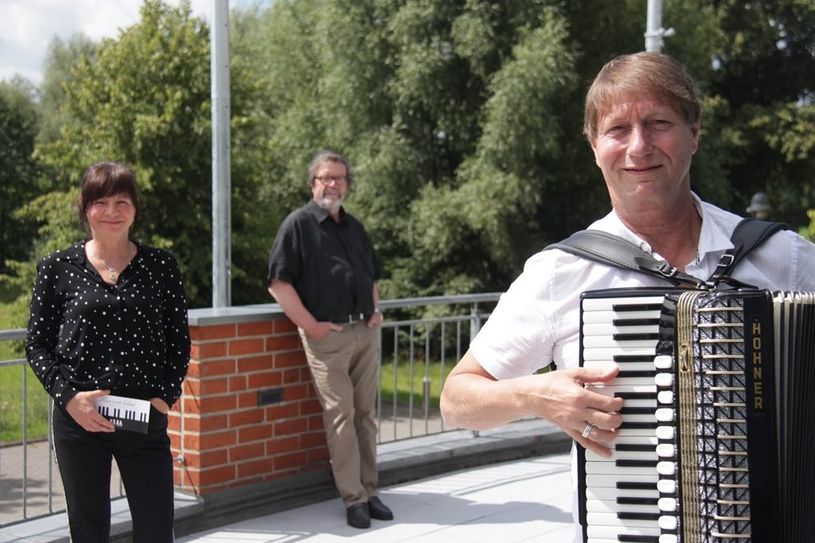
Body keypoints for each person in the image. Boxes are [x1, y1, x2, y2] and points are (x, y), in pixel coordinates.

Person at [439, 51, 815, 540]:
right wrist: (535, 394)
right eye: (618, 130)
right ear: (594, 146)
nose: (639, 147)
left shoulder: (783, 257)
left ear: (694, 133)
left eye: (658, 123)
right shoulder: (561, 273)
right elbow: (456, 398)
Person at [26, 161, 191, 543]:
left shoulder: (161, 266)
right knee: (89, 532)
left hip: (144, 418)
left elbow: (179, 341)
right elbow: (37, 344)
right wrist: (68, 399)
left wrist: (164, 398)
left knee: (155, 530)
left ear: (135, 208)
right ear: (85, 208)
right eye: (101, 202)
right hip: (79, 421)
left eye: (122, 201)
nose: (112, 212)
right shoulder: (57, 268)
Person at [266, 150, 393, 529]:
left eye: (339, 178)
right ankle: (353, 499)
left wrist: (375, 310)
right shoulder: (298, 225)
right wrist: (312, 326)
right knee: (341, 418)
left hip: (364, 333)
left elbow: (371, 274)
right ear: (313, 183)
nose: (333, 184)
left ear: (347, 185)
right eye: (326, 177)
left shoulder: (354, 226)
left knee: (367, 416)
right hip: (328, 338)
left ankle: (370, 492)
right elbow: (278, 282)